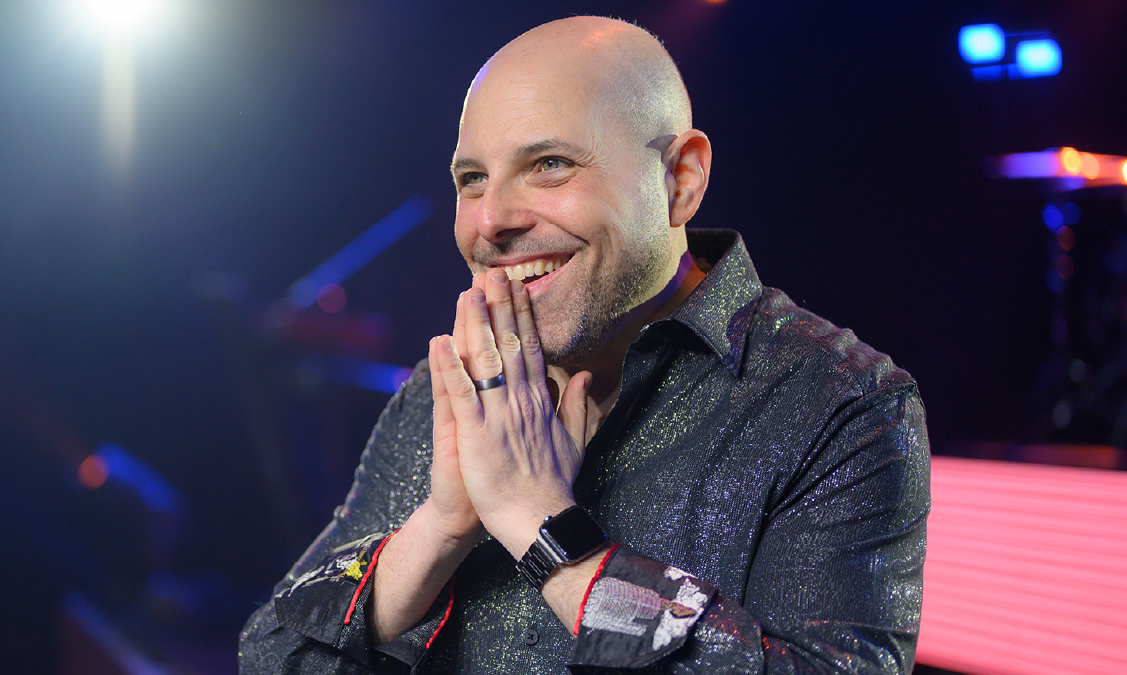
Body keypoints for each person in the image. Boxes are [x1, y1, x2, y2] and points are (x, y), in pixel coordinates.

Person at [240, 15, 929, 675]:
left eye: (548, 163)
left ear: (680, 180)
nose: (492, 220)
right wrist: (441, 527)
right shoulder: (442, 391)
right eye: (471, 178)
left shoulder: (839, 402)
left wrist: (543, 528)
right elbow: (271, 655)